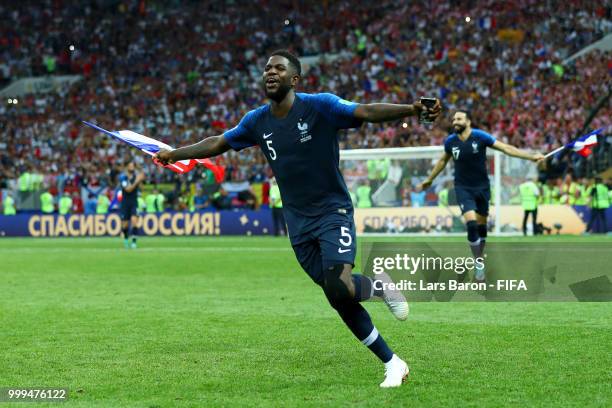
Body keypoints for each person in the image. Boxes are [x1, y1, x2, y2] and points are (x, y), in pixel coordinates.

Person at [155, 49, 442, 388]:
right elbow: (219, 142)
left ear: (294, 79)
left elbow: (363, 111)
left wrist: (411, 109)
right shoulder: (256, 121)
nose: (270, 73)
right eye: (266, 69)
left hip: (332, 212)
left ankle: (383, 316)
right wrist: (175, 153)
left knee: (338, 284)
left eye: (278, 68)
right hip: (298, 223)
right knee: (337, 296)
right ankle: (392, 354)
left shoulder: (320, 105)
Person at [419, 110, 544, 281]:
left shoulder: (480, 137)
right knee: (471, 223)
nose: (455, 121)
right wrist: (430, 179)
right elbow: (442, 160)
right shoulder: (451, 141)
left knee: (481, 227)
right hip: (463, 188)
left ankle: (480, 258)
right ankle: (479, 264)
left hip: (483, 188)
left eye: (459, 118)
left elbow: (506, 148)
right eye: (454, 119)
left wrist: (530, 157)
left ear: (468, 122)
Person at [119, 162, 145, 249]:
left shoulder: (136, 177)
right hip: (125, 203)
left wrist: (141, 180)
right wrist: (137, 181)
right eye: (130, 166)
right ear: (127, 167)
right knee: (125, 225)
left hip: (134, 202)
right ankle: (126, 240)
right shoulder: (123, 178)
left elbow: (142, 189)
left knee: (134, 221)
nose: (132, 167)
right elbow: (128, 190)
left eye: (133, 166)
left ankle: (134, 242)